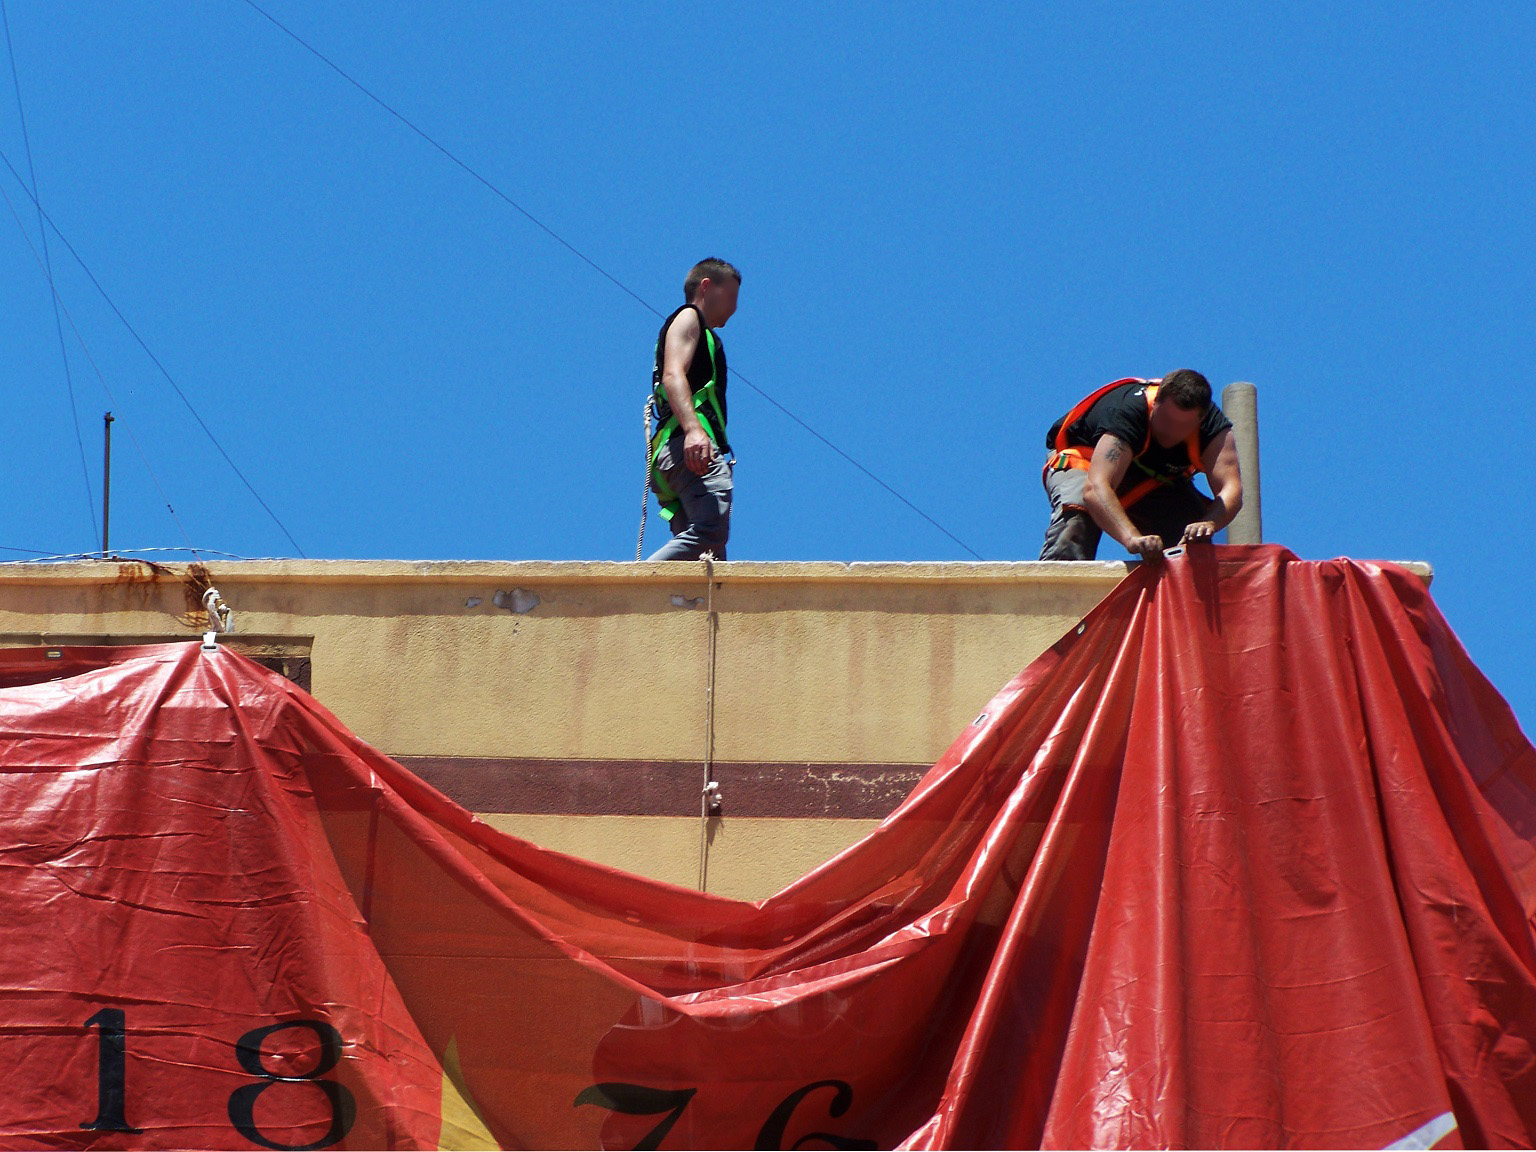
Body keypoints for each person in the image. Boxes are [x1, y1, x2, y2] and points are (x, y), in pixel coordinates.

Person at [1039, 369, 1243, 560]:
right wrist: (1132, 538)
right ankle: (1054, 593)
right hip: (1085, 462)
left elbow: (1231, 490)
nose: (1170, 431)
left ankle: (1174, 594)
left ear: (1200, 420)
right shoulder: (1128, 412)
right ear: (1156, 404)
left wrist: (1208, 524)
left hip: (1148, 479)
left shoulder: (1214, 428)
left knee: (1193, 536)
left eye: (1183, 426)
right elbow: (1095, 488)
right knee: (1079, 515)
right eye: (1165, 420)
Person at [646, 258, 741, 561]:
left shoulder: (701, 332)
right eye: (732, 296)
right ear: (707, 286)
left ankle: (659, 600)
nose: (735, 307)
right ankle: (634, 586)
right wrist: (694, 431)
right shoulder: (689, 318)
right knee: (710, 531)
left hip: (674, 456)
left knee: (708, 558)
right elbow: (673, 375)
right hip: (688, 450)